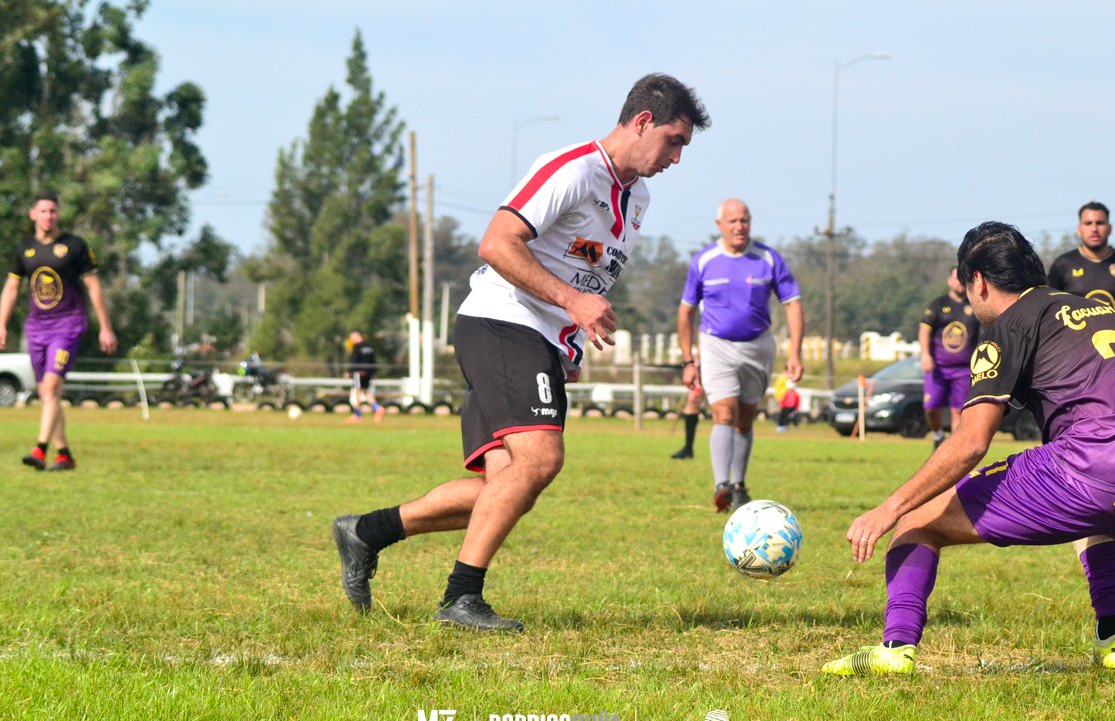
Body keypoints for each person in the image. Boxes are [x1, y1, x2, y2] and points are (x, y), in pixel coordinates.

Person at [331, 74, 710, 631]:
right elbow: (496, 243)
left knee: (505, 488)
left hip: (539, 339)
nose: (676, 158)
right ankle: (461, 598)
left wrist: (570, 343)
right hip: (502, 321)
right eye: (674, 142)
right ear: (643, 122)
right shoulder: (572, 169)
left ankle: (366, 532)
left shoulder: (638, 199)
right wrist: (572, 304)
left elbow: (585, 271)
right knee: (540, 460)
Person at [823, 221, 1115, 677]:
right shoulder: (1103, 313)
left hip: (1095, 471)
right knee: (1094, 516)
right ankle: (1113, 642)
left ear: (978, 281)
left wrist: (889, 508)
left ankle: (895, 649)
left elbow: (971, 442)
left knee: (917, 520)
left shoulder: (1009, 325)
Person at [677, 199, 804, 512]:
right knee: (724, 412)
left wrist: (795, 353)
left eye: (744, 220)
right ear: (719, 225)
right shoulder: (704, 260)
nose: (740, 226)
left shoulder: (768, 258)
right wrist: (688, 359)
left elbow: (792, 303)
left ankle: (738, 484)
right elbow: (686, 312)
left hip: (758, 346)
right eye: (733, 221)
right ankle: (721, 484)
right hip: (716, 345)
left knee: (745, 418)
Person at [0, 193, 117, 471]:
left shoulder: (75, 246)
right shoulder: (24, 249)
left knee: (51, 388)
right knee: (47, 393)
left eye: (53, 211)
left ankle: (39, 450)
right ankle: (64, 455)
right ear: (33, 214)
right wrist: (1, 323)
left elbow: (94, 287)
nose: (48, 216)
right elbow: (12, 289)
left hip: (68, 325)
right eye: (43, 211)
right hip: (37, 328)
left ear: (58, 214)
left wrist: (106, 328)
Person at [1047, 201, 1115, 334]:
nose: (1094, 229)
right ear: (1079, 229)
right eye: (1088, 223)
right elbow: (1046, 304)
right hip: (1074, 343)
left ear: (1110, 229)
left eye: (1100, 223)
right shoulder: (1063, 264)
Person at [918, 266, 979, 449]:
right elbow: (924, 331)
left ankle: (954, 448)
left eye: (963, 278)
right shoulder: (937, 305)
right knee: (931, 407)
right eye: (956, 278)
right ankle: (938, 435)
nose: (960, 282)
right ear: (949, 281)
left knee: (959, 411)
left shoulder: (974, 304)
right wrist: (925, 355)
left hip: (964, 369)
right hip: (938, 367)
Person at [671, 349, 706, 459]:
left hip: (722, 360)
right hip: (704, 362)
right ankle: (688, 448)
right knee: (693, 399)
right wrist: (694, 362)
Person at [345, 330, 383, 423]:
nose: (352, 340)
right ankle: (378, 408)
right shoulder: (370, 346)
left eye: (352, 338)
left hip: (359, 372)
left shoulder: (357, 346)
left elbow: (354, 360)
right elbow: (373, 360)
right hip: (369, 372)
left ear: (357, 336)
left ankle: (357, 415)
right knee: (365, 392)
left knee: (357, 392)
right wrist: (374, 373)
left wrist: (348, 371)